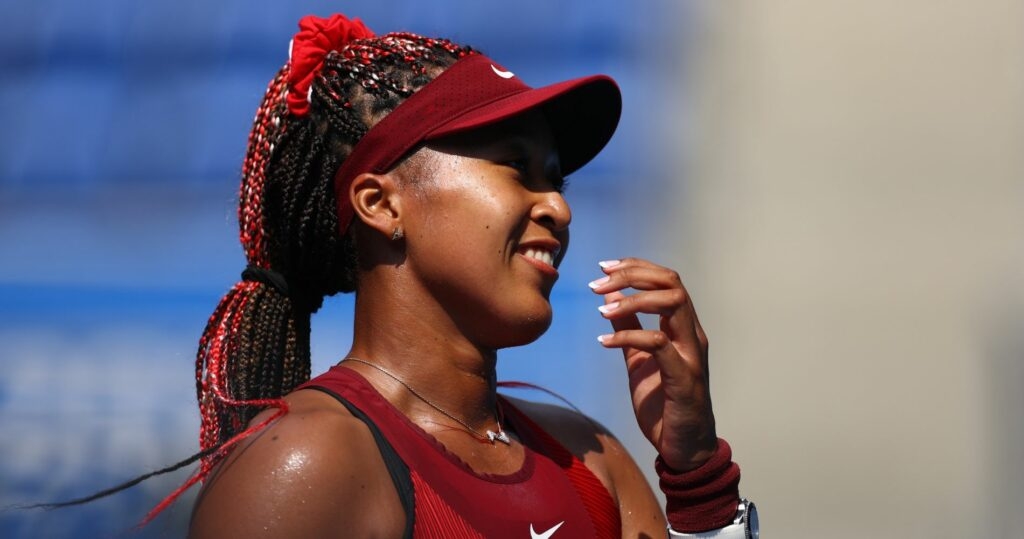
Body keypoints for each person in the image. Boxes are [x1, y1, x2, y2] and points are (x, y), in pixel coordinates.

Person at [175, 13, 756, 538]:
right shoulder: (307, 464)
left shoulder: (592, 460)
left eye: (557, 179)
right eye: (515, 166)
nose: (558, 207)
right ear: (381, 204)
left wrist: (696, 473)